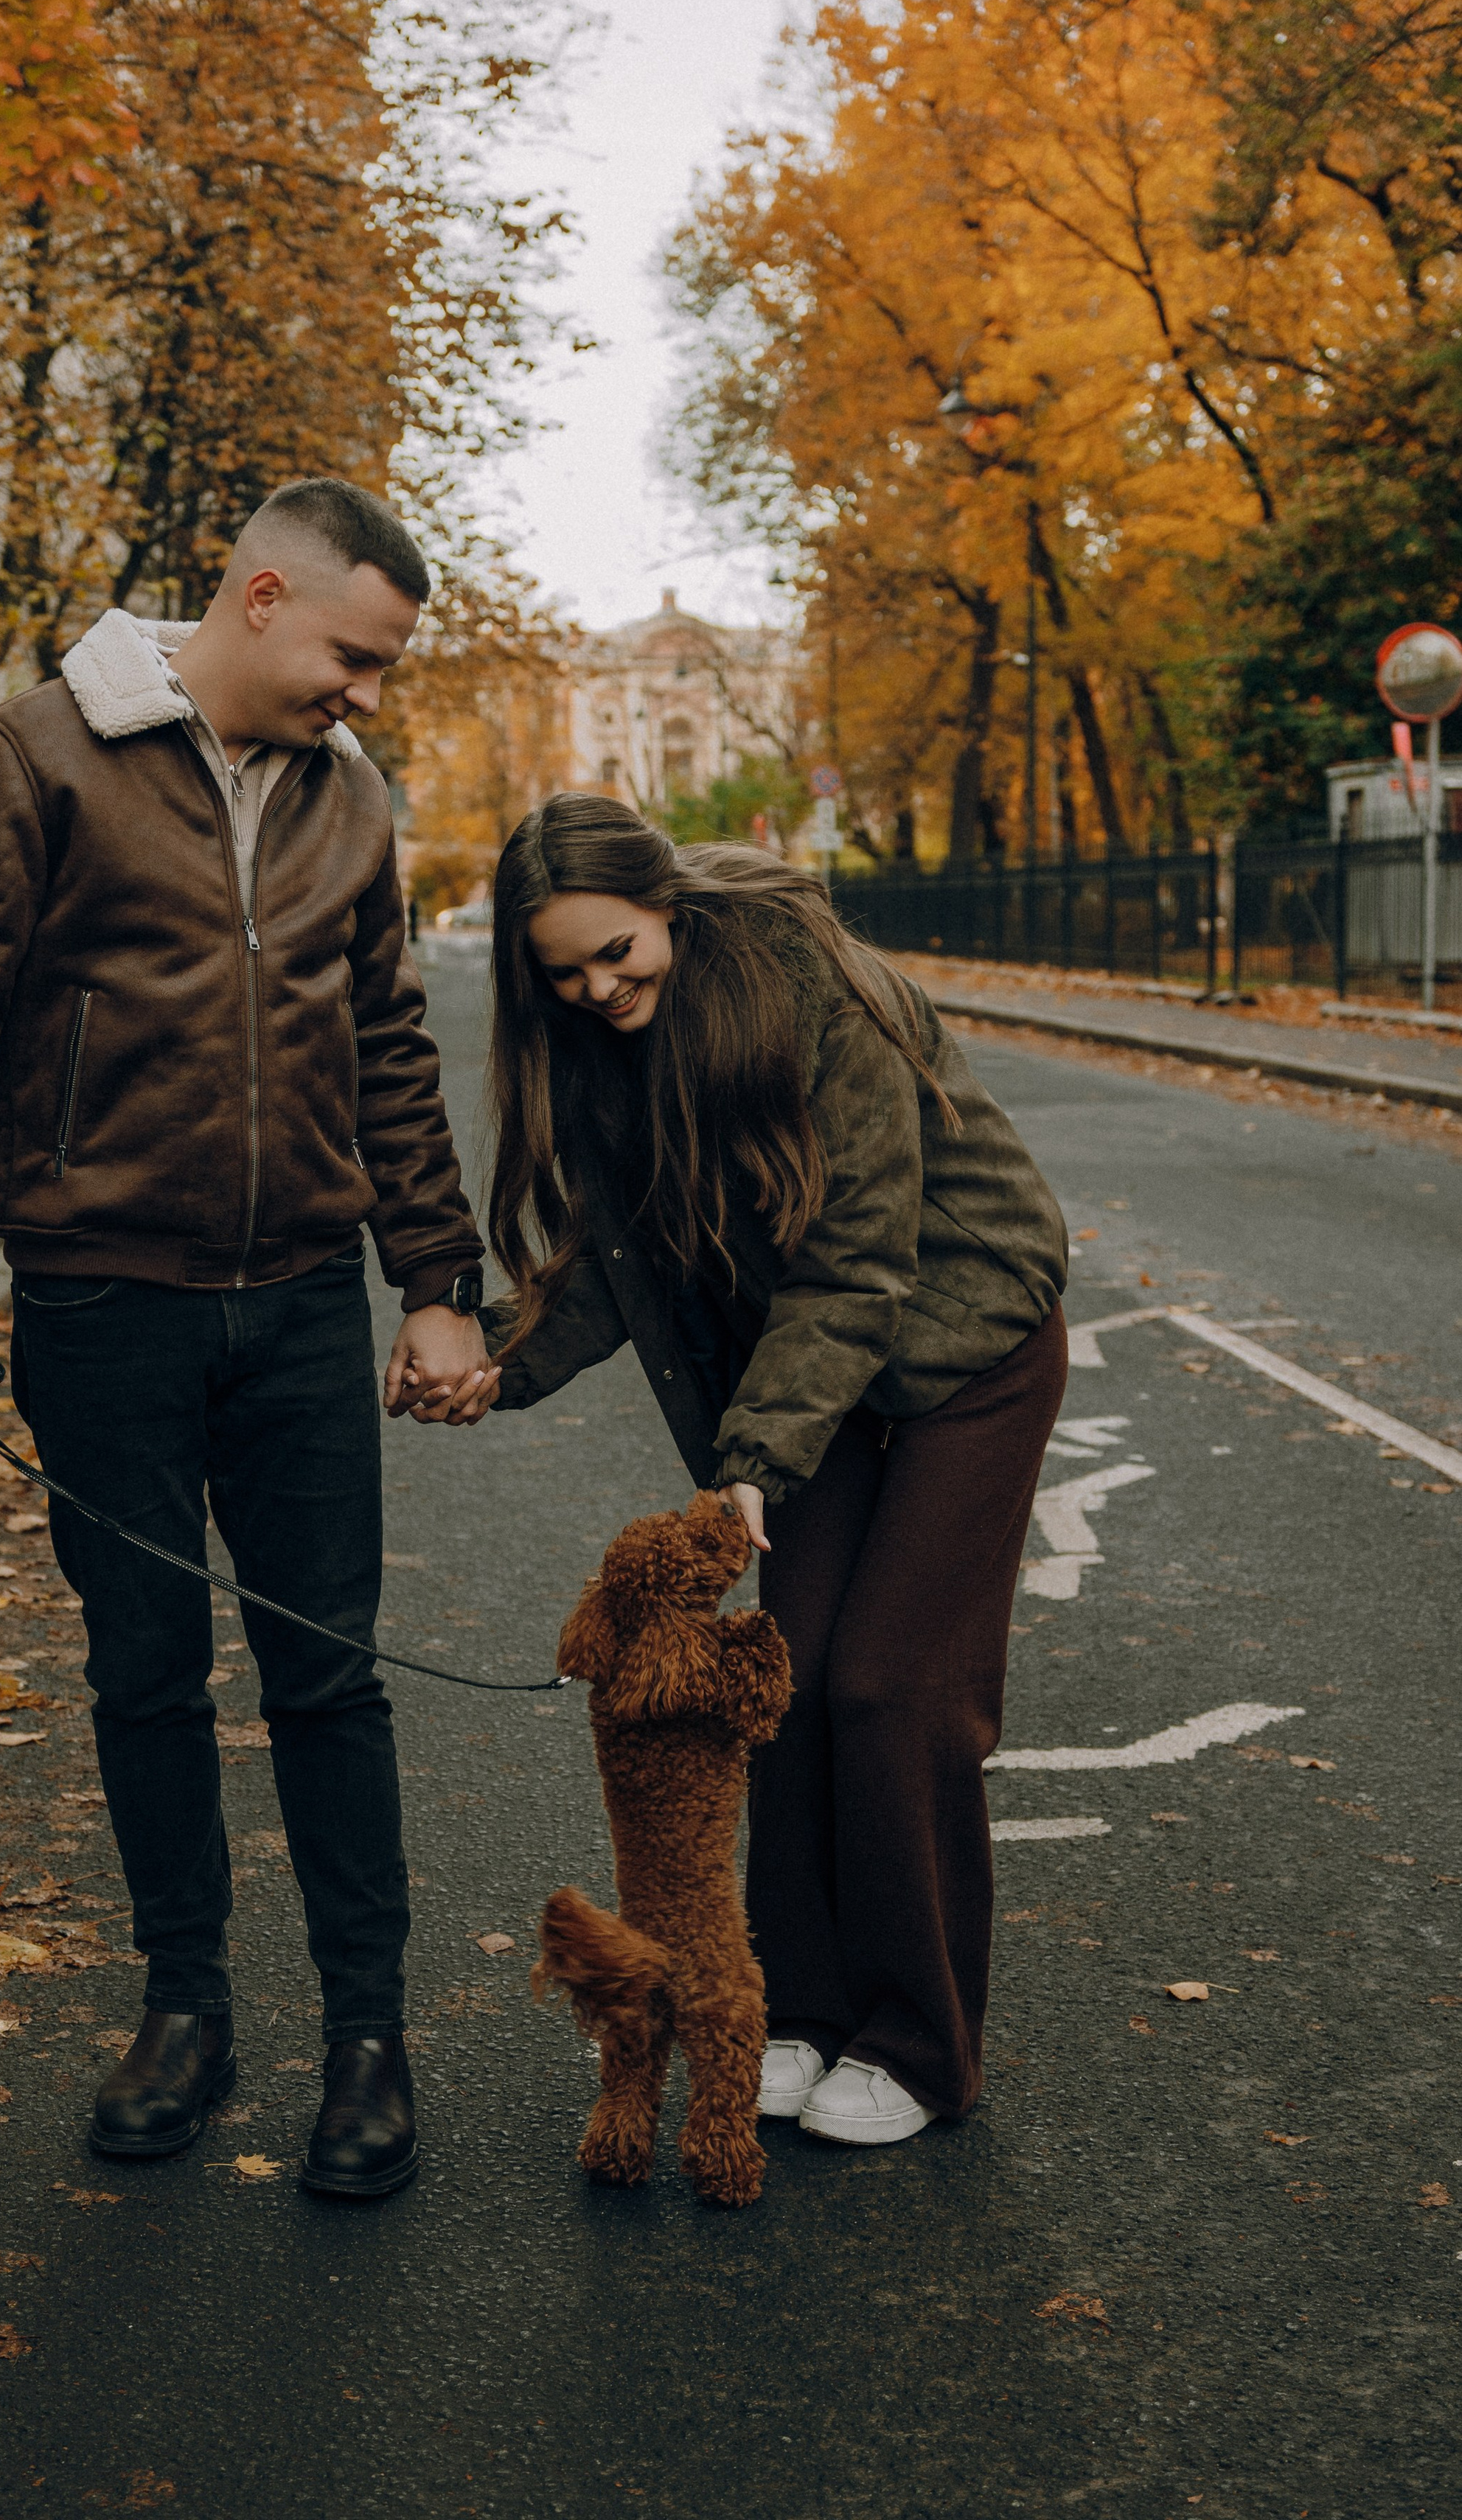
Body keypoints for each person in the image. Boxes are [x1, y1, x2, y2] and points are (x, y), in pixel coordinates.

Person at [0, 478, 499, 2200]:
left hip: (297, 1302)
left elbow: (385, 1048)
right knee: (142, 1669)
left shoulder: (347, 796)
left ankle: (366, 2038)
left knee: (328, 1674)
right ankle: (185, 2010)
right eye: (354, 659)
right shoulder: (32, 757)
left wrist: (435, 1283)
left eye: (380, 673)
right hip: (99, 1307)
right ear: (265, 595)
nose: (363, 695)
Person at [466, 792, 1068, 2147]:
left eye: (618, 953)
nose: (599, 989)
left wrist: (754, 1459)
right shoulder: (596, 1047)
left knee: (891, 1689)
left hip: (965, 1346)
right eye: (563, 973)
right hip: (821, 1382)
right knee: (783, 1688)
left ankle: (922, 2043)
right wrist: (497, 1368)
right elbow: (616, 1259)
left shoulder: (805, 991)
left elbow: (860, 1255)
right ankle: (798, 2011)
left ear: (667, 907)